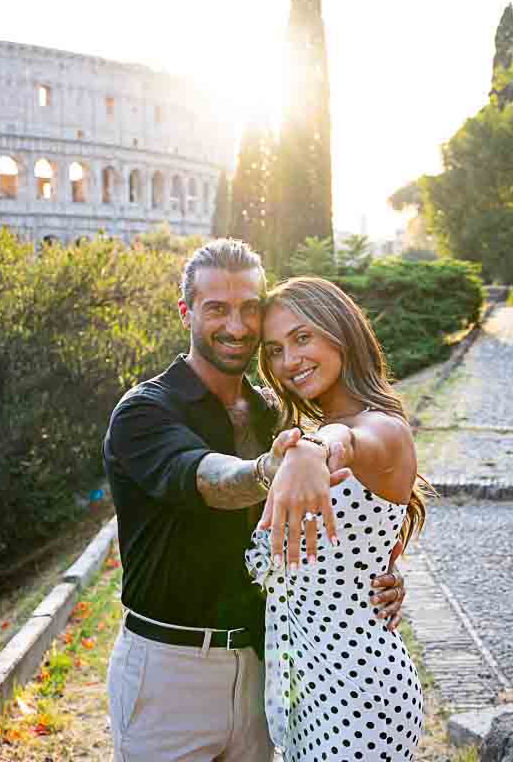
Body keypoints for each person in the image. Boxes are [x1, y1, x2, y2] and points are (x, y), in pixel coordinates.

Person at [102, 239, 408, 761]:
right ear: (186, 313)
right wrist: (272, 467)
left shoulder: (275, 415)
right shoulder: (145, 411)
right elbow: (201, 475)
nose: (237, 326)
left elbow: (356, 508)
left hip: (268, 670)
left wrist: (377, 575)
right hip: (170, 672)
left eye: (249, 308)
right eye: (217, 308)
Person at [245, 276, 429, 761]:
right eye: (276, 349)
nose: (290, 361)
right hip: (306, 690)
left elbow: (343, 443)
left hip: (360, 693)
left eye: (302, 337)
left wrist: (313, 449)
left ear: (340, 331)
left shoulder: (380, 430)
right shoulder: (308, 432)